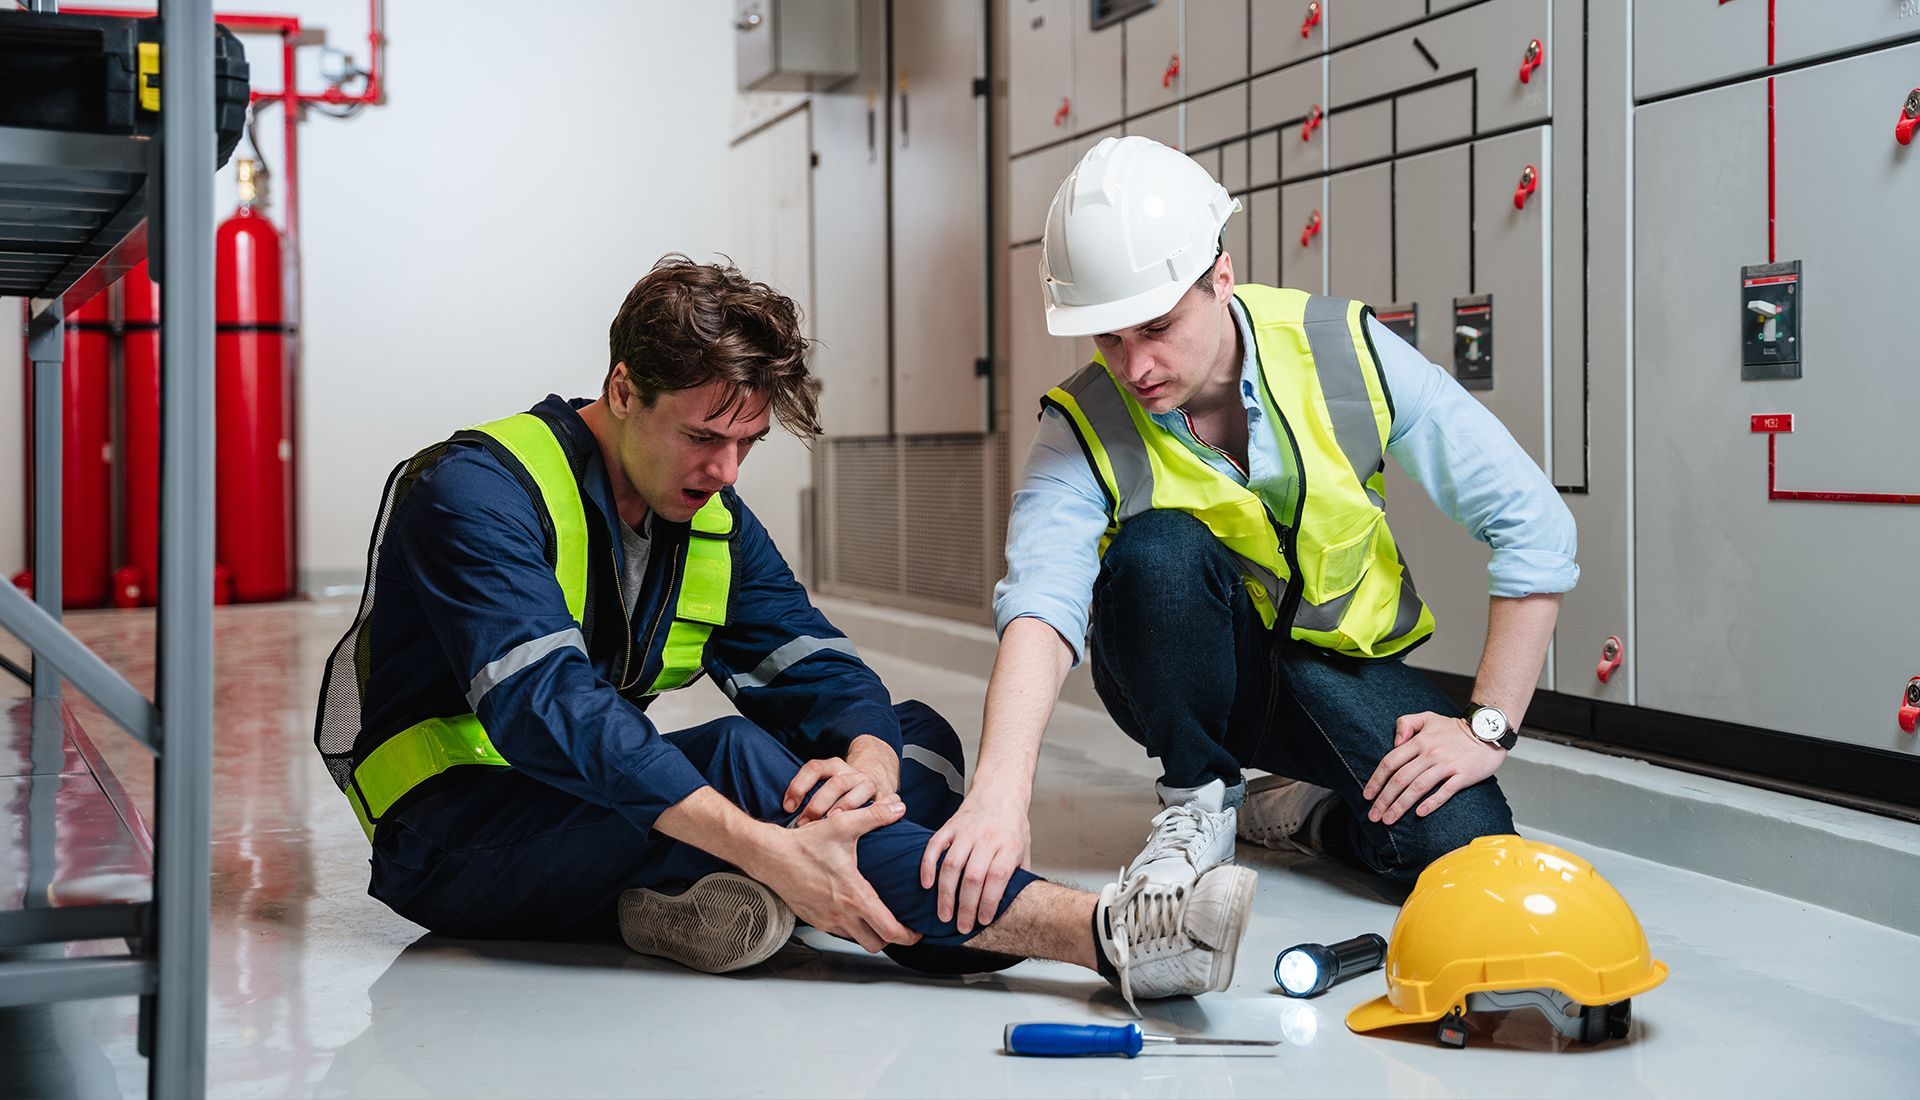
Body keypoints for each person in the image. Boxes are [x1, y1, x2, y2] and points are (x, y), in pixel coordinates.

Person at [311, 254, 1255, 1010]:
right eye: (702, 437)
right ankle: (1107, 935)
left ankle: (680, 904)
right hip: (453, 838)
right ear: (624, 387)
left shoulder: (704, 509)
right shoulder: (473, 493)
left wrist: (869, 768)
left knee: (910, 736)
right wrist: (767, 844)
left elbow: (823, 666)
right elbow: (547, 711)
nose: (725, 469)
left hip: (597, 822)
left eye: (747, 444)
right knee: (735, 763)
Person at [921, 137, 1577, 933]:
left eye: (1157, 327)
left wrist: (1487, 726)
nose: (1135, 366)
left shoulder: (1340, 349)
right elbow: (1041, 599)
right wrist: (998, 793)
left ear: (1220, 278)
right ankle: (1198, 798)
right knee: (1156, 550)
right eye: (1109, 338)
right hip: (1183, 680)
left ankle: (1300, 812)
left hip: (1330, 670)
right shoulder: (1083, 421)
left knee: (1463, 848)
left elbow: (1533, 523)